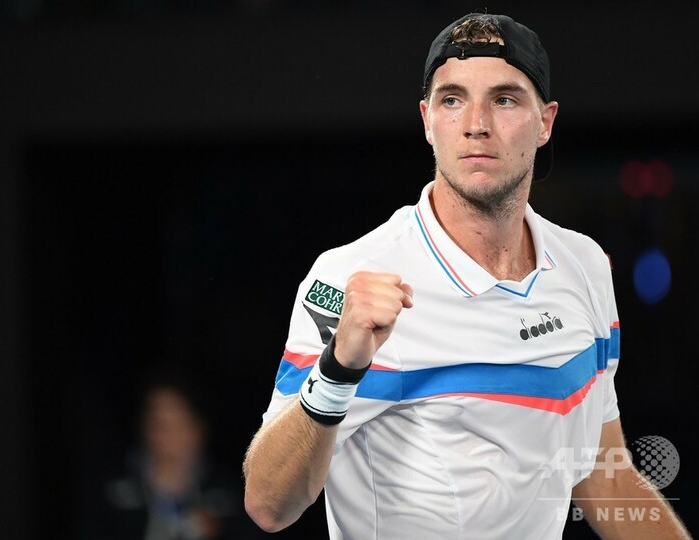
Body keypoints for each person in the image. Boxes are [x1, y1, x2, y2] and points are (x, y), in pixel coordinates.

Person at [242, 12, 692, 539]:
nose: (476, 123)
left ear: (545, 122)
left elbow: (604, 476)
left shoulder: (584, 265)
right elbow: (269, 505)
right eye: (452, 100)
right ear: (427, 120)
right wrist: (339, 368)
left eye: (504, 100)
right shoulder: (350, 277)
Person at [92, 373, 255, 540]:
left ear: (199, 428)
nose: (166, 436)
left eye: (178, 423)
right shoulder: (114, 489)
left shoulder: (228, 494)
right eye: (159, 423)